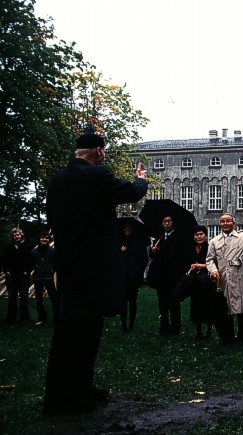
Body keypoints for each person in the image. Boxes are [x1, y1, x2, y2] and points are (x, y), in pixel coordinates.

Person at [44, 132, 148, 414]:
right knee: (86, 331)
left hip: (68, 263)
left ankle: (73, 389)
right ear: (99, 152)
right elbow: (131, 192)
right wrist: (141, 178)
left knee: (68, 330)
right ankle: (71, 396)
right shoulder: (95, 175)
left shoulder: (57, 180)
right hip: (91, 266)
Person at [206, 214, 243, 344]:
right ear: (220, 224)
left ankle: (241, 337)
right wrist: (213, 270)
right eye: (222, 221)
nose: (225, 223)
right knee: (225, 306)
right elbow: (209, 259)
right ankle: (227, 336)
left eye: (228, 221)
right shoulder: (214, 241)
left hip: (240, 275)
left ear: (234, 223)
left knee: (241, 307)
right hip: (223, 276)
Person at [147, 215, 190, 335]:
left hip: (173, 276)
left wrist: (180, 275)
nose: (166, 224)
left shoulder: (179, 238)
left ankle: (175, 327)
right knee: (162, 301)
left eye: (169, 221)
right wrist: (153, 251)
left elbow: (182, 258)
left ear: (173, 223)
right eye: (164, 221)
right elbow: (154, 256)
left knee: (174, 301)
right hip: (160, 276)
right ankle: (164, 326)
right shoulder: (159, 237)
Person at [119, 221, 148, 332]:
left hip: (134, 276)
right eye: (125, 227)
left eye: (129, 227)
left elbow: (144, 259)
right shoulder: (119, 242)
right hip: (122, 277)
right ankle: (123, 324)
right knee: (123, 301)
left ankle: (131, 324)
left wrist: (137, 271)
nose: (127, 229)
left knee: (132, 301)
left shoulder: (138, 242)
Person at [187, 225, 216, 339]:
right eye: (196, 235)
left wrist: (202, 266)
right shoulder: (190, 248)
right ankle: (198, 331)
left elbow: (215, 263)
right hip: (195, 281)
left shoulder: (210, 247)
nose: (199, 237)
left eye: (201, 234)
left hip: (207, 281)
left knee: (209, 304)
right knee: (196, 305)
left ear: (205, 235)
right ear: (193, 237)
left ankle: (209, 330)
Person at [3, 228, 33, 322]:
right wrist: (6, 270)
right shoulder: (9, 247)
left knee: (24, 296)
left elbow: (31, 260)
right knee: (12, 297)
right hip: (11, 276)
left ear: (21, 235)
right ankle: (11, 317)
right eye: (15, 235)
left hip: (23, 275)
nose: (17, 236)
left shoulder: (27, 246)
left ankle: (24, 317)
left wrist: (27, 271)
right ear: (13, 236)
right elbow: (4, 260)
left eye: (18, 235)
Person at [31, 232, 58, 326]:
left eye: (46, 238)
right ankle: (42, 319)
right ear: (39, 239)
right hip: (37, 278)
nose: (44, 239)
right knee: (39, 300)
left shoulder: (53, 251)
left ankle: (57, 318)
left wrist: (51, 271)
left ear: (49, 240)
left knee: (54, 299)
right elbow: (31, 263)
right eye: (42, 238)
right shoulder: (34, 251)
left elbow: (56, 264)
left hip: (49, 277)